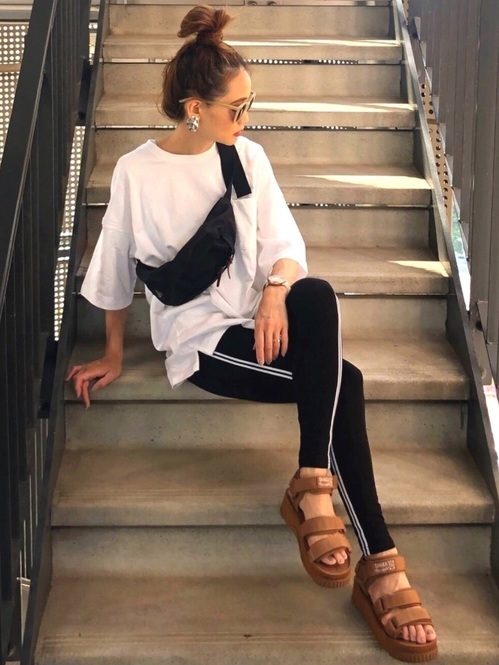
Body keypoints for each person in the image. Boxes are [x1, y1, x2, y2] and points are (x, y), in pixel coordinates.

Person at [67, 5, 438, 662]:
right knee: (344, 381)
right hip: (203, 342)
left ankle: (312, 480)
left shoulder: (245, 157)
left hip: (256, 319)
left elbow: (286, 247)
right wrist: (114, 353)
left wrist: (273, 292)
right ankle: (379, 560)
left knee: (314, 293)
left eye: (250, 105)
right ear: (193, 109)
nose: (246, 118)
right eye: (236, 108)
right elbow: (113, 265)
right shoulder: (136, 172)